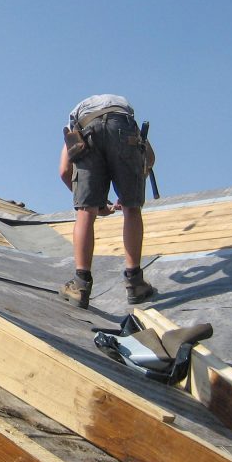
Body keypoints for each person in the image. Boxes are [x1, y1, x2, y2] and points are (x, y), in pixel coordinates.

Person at [58, 94, 156, 309]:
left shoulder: (74, 124)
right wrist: (130, 193)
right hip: (122, 127)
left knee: (85, 212)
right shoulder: (124, 112)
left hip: (87, 130)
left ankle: (81, 285)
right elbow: (149, 158)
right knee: (132, 210)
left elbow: (65, 171)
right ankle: (135, 282)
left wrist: (93, 203)